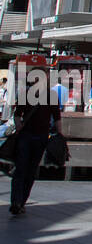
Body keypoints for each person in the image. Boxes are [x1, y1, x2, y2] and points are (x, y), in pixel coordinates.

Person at [8, 74, 61, 216]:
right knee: (28, 170)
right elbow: (57, 118)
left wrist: (19, 127)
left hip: (28, 136)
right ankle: (19, 202)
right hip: (39, 137)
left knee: (23, 169)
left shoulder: (30, 94)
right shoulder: (48, 96)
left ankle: (18, 201)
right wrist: (60, 135)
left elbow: (18, 115)